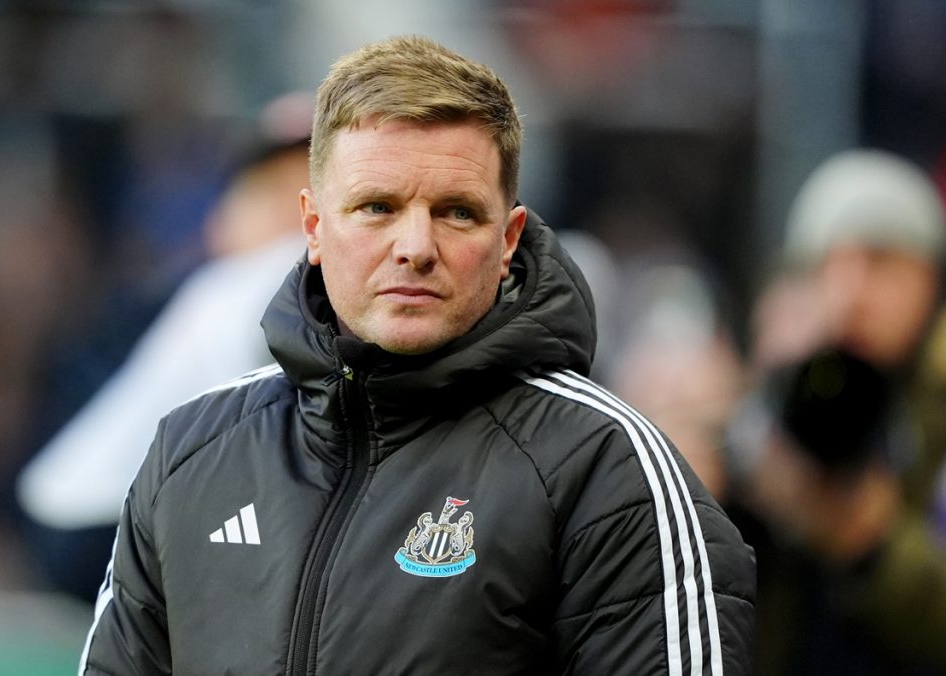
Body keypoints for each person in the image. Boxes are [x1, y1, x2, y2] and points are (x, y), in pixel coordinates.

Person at [78, 35, 755, 675]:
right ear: (313, 226)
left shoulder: (608, 467)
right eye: (377, 207)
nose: (415, 247)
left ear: (509, 238)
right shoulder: (191, 452)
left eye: (457, 212)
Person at [17, 92, 313, 601]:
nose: (291, 206)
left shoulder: (224, 287)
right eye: (272, 188)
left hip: (84, 513)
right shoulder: (265, 279)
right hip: (111, 516)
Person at [734, 148, 946, 674]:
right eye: (826, 265)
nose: (850, 294)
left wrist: (872, 544)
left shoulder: (934, 410)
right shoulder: (771, 398)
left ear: (929, 281)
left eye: (880, 263)